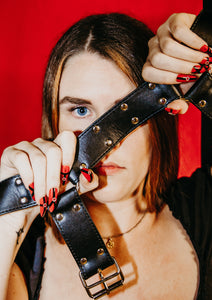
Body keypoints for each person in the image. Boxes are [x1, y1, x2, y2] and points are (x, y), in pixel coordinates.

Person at [0, 12, 211, 300]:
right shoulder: (19, 255)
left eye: (128, 113)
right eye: (81, 110)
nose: (109, 144)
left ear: (160, 115)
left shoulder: (204, 205)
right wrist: (5, 220)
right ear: (55, 120)